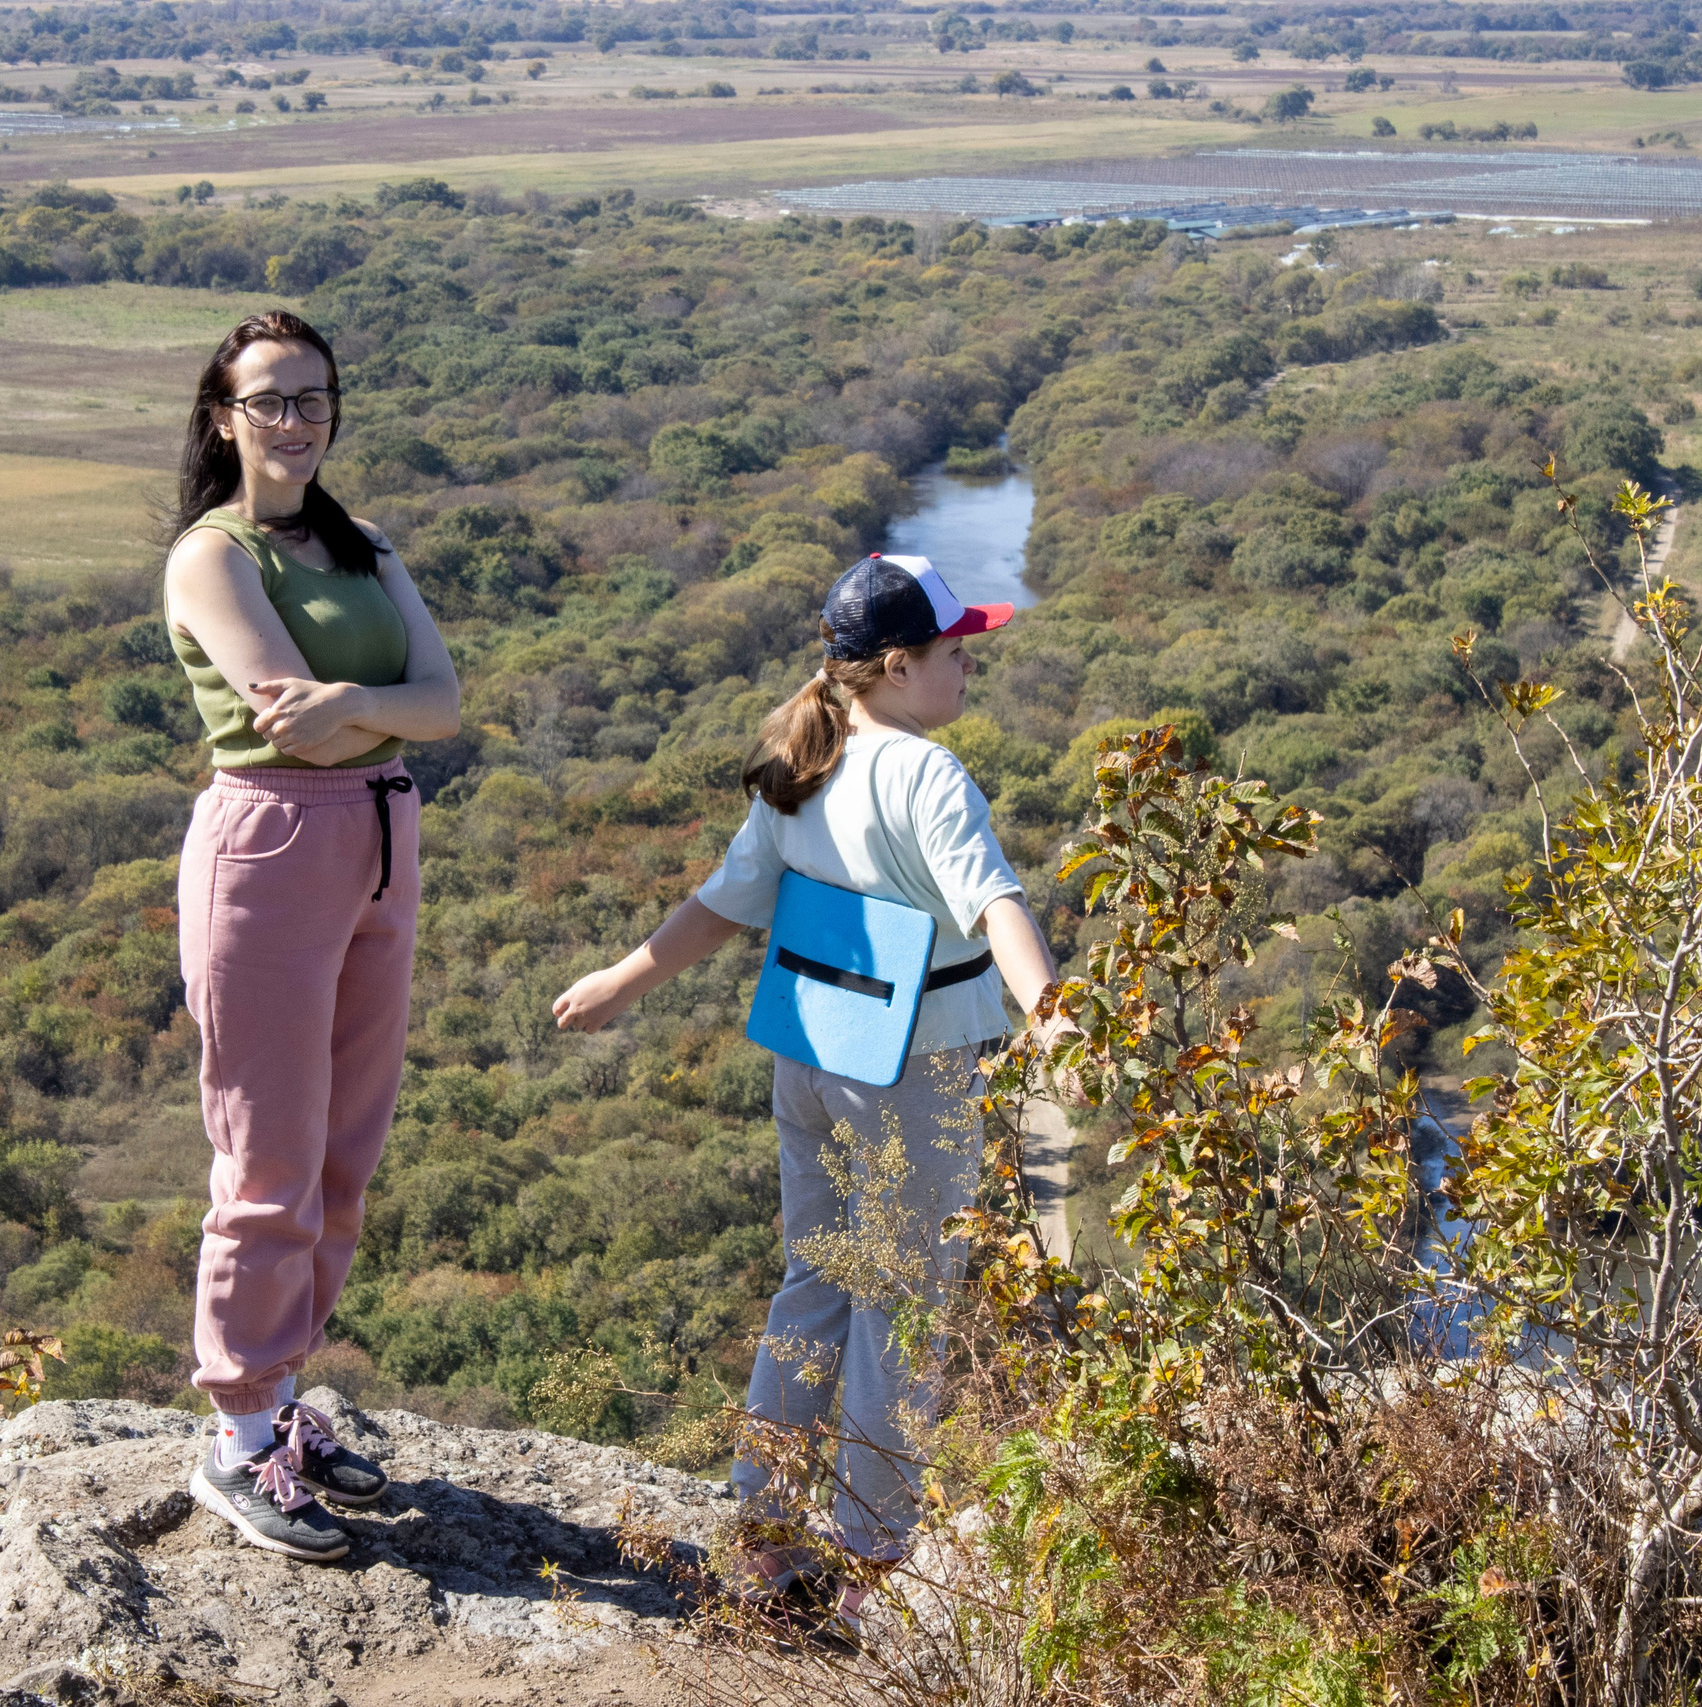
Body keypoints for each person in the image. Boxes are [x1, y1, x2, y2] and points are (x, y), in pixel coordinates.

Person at [551, 553, 1063, 1594]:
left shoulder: (804, 760)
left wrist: (620, 981)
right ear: (896, 666)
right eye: (954, 650)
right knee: (901, 1301)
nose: (968, 665)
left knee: (817, 1278)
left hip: (811, 1049)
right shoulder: (926, 773)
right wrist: (1054, 1019)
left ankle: (765, 1525)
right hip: (912, 1067)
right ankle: (873, 1552)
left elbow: (723, 904)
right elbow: (993, 902)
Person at [163, 310, 460, 1561]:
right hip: (271, 844)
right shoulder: (212, 555)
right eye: (270, 400)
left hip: (381, 833)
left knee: (344, 1155)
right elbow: (289, 724)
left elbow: (445, 705)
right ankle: (236, 1436)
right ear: (223, 417)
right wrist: (365, 708)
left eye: (314, 398)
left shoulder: (360, 542)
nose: (296, 421)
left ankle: (281, 1397)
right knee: (267, 1156)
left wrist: (354, 707)